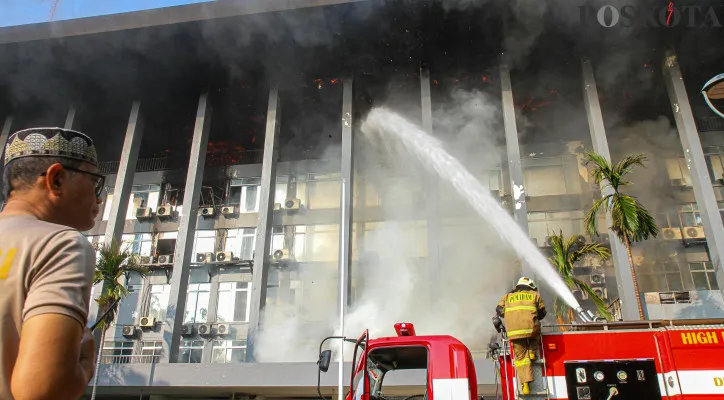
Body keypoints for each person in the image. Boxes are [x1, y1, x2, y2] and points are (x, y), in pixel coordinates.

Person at [0, 127, 103, 400]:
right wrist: (84, 363)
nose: (99, 197)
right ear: (56, 179)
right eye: (95, 183)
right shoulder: (60, 244)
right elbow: (41, 390)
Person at [496, 276, 547, 395]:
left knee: (520, 359)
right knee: (537, 327)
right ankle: (533, 352)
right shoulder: (535, 294)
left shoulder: (507, 296)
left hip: (514, 333)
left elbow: (499, 310)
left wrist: (510, 315)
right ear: (530, 285)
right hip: (530, 331)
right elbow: (542, 313)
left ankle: (525, 385)